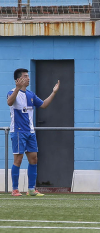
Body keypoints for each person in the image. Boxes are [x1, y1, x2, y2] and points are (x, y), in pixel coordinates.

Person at [7, 68, 60, 197]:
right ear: (18, 80)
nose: (28, 78)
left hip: (30, 132)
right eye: (25, 76)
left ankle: (31, 189)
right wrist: (17, 88)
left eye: (28, 76)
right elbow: (9, 102)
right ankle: (15, 189)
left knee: (34, 159)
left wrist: (53, 92)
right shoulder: (12, 93)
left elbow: (44, 105)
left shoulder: (30, 94)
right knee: (18, 160)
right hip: (18, 132)